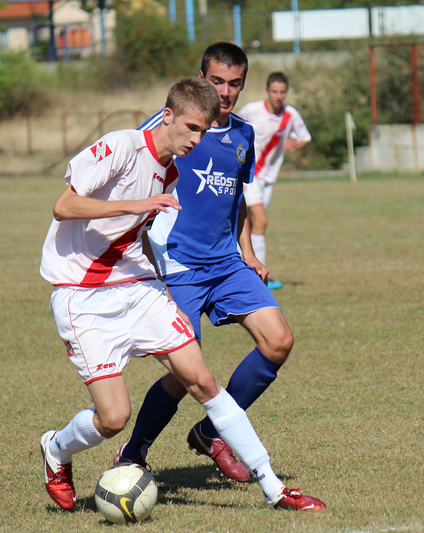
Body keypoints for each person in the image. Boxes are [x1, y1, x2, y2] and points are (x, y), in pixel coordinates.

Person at [38, 77, 324, 512]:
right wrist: (136, 204)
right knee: (114, 418)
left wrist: (156, 270)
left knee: (202, 380)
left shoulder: (170, 170)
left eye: (204, 131)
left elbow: (138, 232)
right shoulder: (121, 146)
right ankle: (57, 450)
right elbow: (64, 206)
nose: (196, 139)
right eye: (190, 127)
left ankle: (273, 486)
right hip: (82, 296)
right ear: (167, 115)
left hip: (137, 286)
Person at [115, 44, 316, 507]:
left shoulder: (244, 135)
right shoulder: (166, 127)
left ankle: (210, 431)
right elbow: (131, 185)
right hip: (178, 265)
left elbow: (237, 200)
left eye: (234, 83)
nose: (224, 92)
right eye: (216, 81)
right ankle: (135, 451)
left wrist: (248, 252)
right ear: (200, 77)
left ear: (243, 84)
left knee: (278, 341)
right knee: (188, 372)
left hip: (226, 261)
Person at [238, 71, 311, 290]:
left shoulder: (290, 115)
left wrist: (296, 144)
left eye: (282, 92)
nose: (278, 96)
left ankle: (245, 271)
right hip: (249, 174)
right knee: (260, 221)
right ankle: (259, 277)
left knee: (249, 224)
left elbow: (305, 137)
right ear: (267, 91)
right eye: (274, 91)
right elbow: (232, 126)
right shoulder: (252, 110)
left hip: (268, 179)